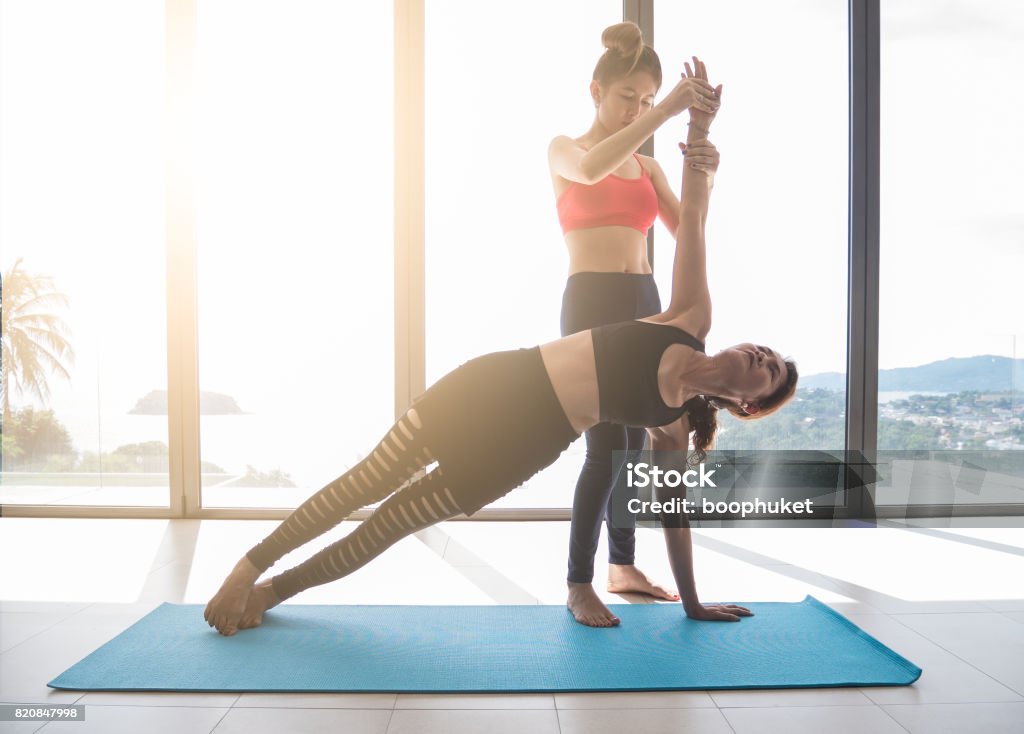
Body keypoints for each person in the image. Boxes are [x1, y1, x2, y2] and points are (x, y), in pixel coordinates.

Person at [204, 58, 798, 637]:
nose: (761, 357)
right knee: (366, 482)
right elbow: (692, 215)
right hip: (496, 387)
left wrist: (692, 604)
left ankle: (273, 592)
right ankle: (248, 565)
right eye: (765, 351)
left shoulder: (671, 427)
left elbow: (674, 515)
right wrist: (697, 127)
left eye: (768, 372)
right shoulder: (689, 316)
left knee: (388, 526)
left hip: (525, 449)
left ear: (748, 405)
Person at [549, 21, 722, 627]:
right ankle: (578, 584)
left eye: (648, 101)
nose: (637, 111)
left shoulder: (648, 171)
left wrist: (703, 158)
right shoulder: (567, 149)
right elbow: (594, 170)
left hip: (645, 298)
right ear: (595, 91)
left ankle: (623, 566)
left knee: (638, 444)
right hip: (591, 301)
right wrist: (670, 110)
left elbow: (688, 231)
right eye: (629, 98)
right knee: (602, 447)